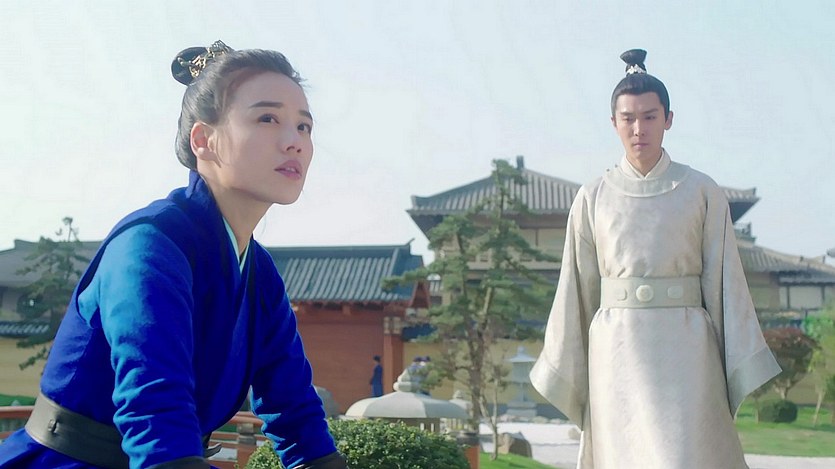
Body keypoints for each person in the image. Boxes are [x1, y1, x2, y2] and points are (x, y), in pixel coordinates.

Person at [0, 41, 348, 469]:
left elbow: (294, 408)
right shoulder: (150, 244)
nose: (294, 142)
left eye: (304, 127)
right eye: (267, 118)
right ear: (204, 140)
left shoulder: (259, 273)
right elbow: (154, 400)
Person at [529, 49, 781, 469]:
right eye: (628, 118)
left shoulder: (701, 191)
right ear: (613, 123)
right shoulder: (593, 196)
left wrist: (734, 360)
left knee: (682, 455)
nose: (638, 128)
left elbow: (724, 282)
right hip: (616, 351)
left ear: (668, 119)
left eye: (649, 116)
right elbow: (578, 288)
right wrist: (569, 363)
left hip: (686, 348)